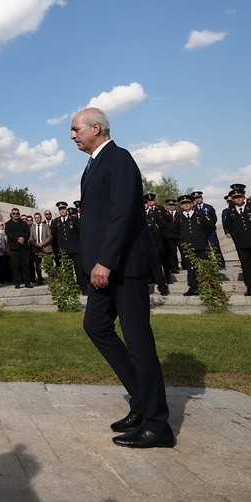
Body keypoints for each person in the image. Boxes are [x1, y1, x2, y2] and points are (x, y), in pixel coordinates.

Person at [70, 107, 173, 449]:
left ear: (95, 128)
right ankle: (141, 400)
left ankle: (158, 424)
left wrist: (106, 261)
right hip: (103, 268)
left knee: (139, 342)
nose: (72, 135)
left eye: (75, 129)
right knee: (96, 326)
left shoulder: (119, 158)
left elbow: (123, 214)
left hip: (123, 267)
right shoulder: (94, 164)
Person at [4, 208, 33, 288]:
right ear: (11, 214)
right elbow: (9, 234)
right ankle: (17, 282)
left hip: (24, 247)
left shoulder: (24, 223)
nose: (16, 215)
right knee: (15, 266)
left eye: (17, 213)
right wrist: (18, 238)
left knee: (25, 266)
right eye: (14, 213)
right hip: (14, 248)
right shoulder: (8, 224)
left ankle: (27, 282)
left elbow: (28, 232)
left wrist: (23, 238)